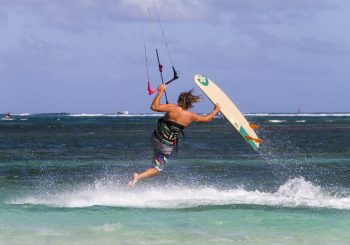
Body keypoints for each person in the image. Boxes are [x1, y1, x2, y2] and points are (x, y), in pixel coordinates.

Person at [128, 84, 220, 188]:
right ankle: (138, 177)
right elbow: (206, 119)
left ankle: (153, 162)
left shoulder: (172, 107)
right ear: (190, 104)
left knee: (157, 154)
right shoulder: (191, 116)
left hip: (155, 137)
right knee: (157, 170)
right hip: (165, 146)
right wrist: (216, 110)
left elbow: (154, 106)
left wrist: (160, 91)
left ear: (179, 100)